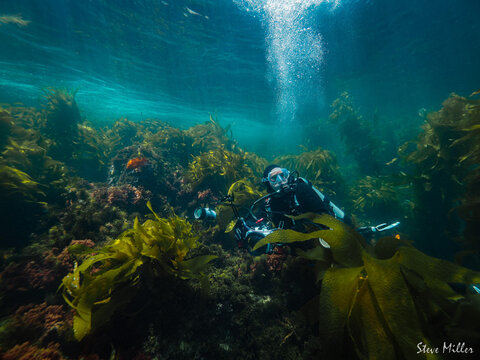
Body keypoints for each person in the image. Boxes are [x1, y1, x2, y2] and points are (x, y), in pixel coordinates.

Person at [259, 164, 352, 230]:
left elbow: (322, 213)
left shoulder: (301, 189)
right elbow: (256, 220)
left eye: (283, 175)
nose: (281, 180)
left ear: (288, 175)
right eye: (273, 178)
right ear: (268, 183)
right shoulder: (268, 203)